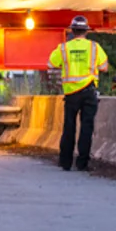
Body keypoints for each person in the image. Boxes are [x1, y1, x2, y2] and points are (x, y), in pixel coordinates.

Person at [48, 15, 109, 171]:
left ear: (72, 31)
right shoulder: (94, 47)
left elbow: (51, 63)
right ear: (86, 31)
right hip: (89, 91)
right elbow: (104, 67)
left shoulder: (64, 48)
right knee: (86, 127)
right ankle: (82, 163)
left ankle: (65, 162)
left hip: (71, 93)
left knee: (69, 127)